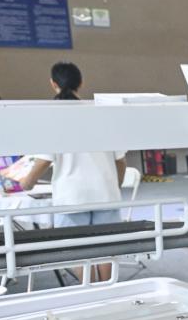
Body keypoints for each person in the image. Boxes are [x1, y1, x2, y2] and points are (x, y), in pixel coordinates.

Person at [18, 62, 126, 282]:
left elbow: (43, 161)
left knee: (76, 249)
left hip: (72, 197)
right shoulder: (102, 114)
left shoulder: (53, 118)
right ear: (81, 83)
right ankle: (107, 290)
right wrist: (116, 184)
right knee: (107, 246)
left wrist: (26, 183)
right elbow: (120, 161)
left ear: (53, 84)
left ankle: (89, 290)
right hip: (106, 193)